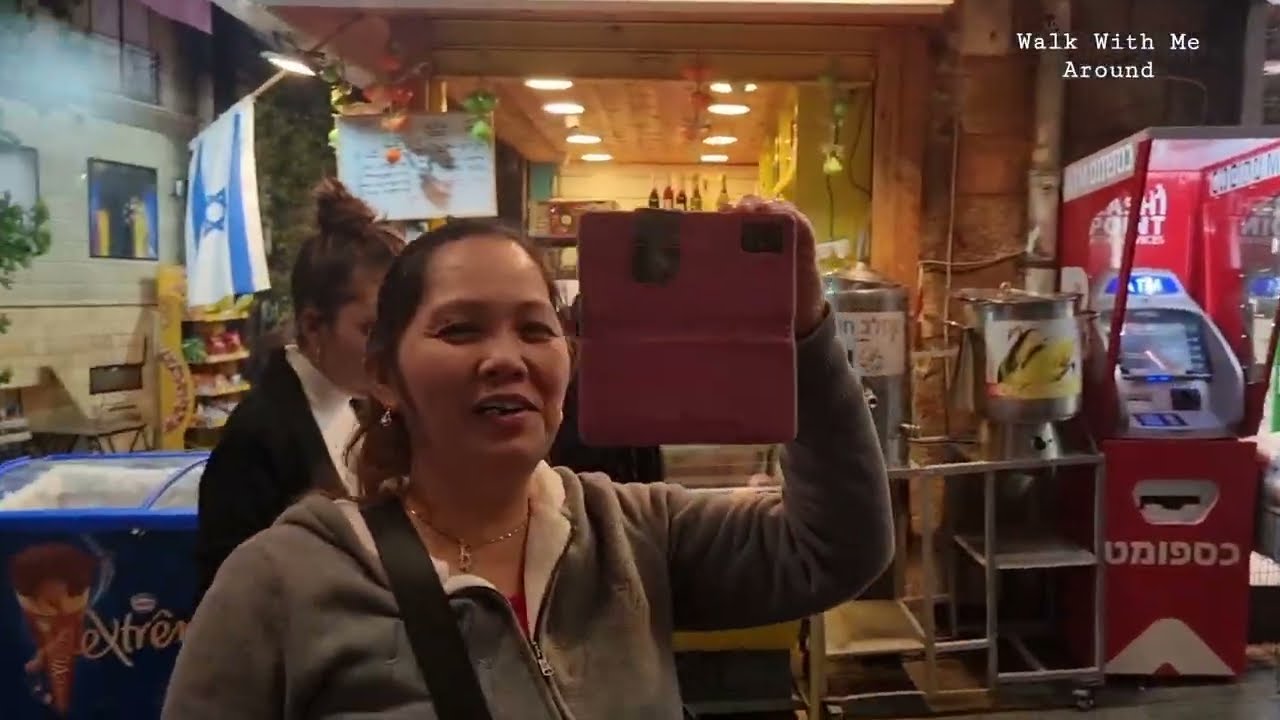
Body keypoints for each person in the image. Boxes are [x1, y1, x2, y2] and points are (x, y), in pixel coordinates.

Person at [163, 199, 892, 719]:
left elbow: (836, 548)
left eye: (534, 328)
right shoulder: (278, 584)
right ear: (384, 374)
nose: (505, 359)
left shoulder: (633, 532)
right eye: (460, 330)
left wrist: (804, 330)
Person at [191, 178, 404, 602]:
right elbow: (226, 594)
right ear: (312, 324)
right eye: (371, 329)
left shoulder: (364, 406)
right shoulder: (258, 436)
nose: (391, 347)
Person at [547, 295, 665, 483]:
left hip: (573, 489)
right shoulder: (626, 378)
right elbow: (648, 459)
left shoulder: (562, 377)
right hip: (618, 491)